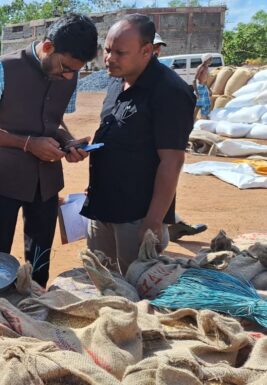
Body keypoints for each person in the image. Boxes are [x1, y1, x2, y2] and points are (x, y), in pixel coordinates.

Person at [0, 14, 98, 286]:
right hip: (3, 178)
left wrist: (68, 142)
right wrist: (28, 144)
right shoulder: (1, 68)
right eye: (65, 67)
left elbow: (53, 122)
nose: (69, 76)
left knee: (40, 260)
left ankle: (36, 312)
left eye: (76, 71)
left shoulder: (70, 75)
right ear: (48, 46)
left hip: (47, 183)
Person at [81, 14, 196, 274]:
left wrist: (154, 220)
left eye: (120, 52)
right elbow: (116, 136)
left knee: (138, 288)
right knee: (102, 279)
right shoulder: (117, 82)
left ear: (147, 51)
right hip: (103, 206)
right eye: (108, 50)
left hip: (137, 217)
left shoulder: (169, 91)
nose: (109, 58)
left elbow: (172, 160)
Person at [152, 33, 209, 241]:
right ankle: (171, 224)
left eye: (158, 48)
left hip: (162, 154)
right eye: (153, 47)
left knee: (164, 189)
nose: (156, 52)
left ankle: (172, 224)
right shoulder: (125, 82)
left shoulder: (167, 81)